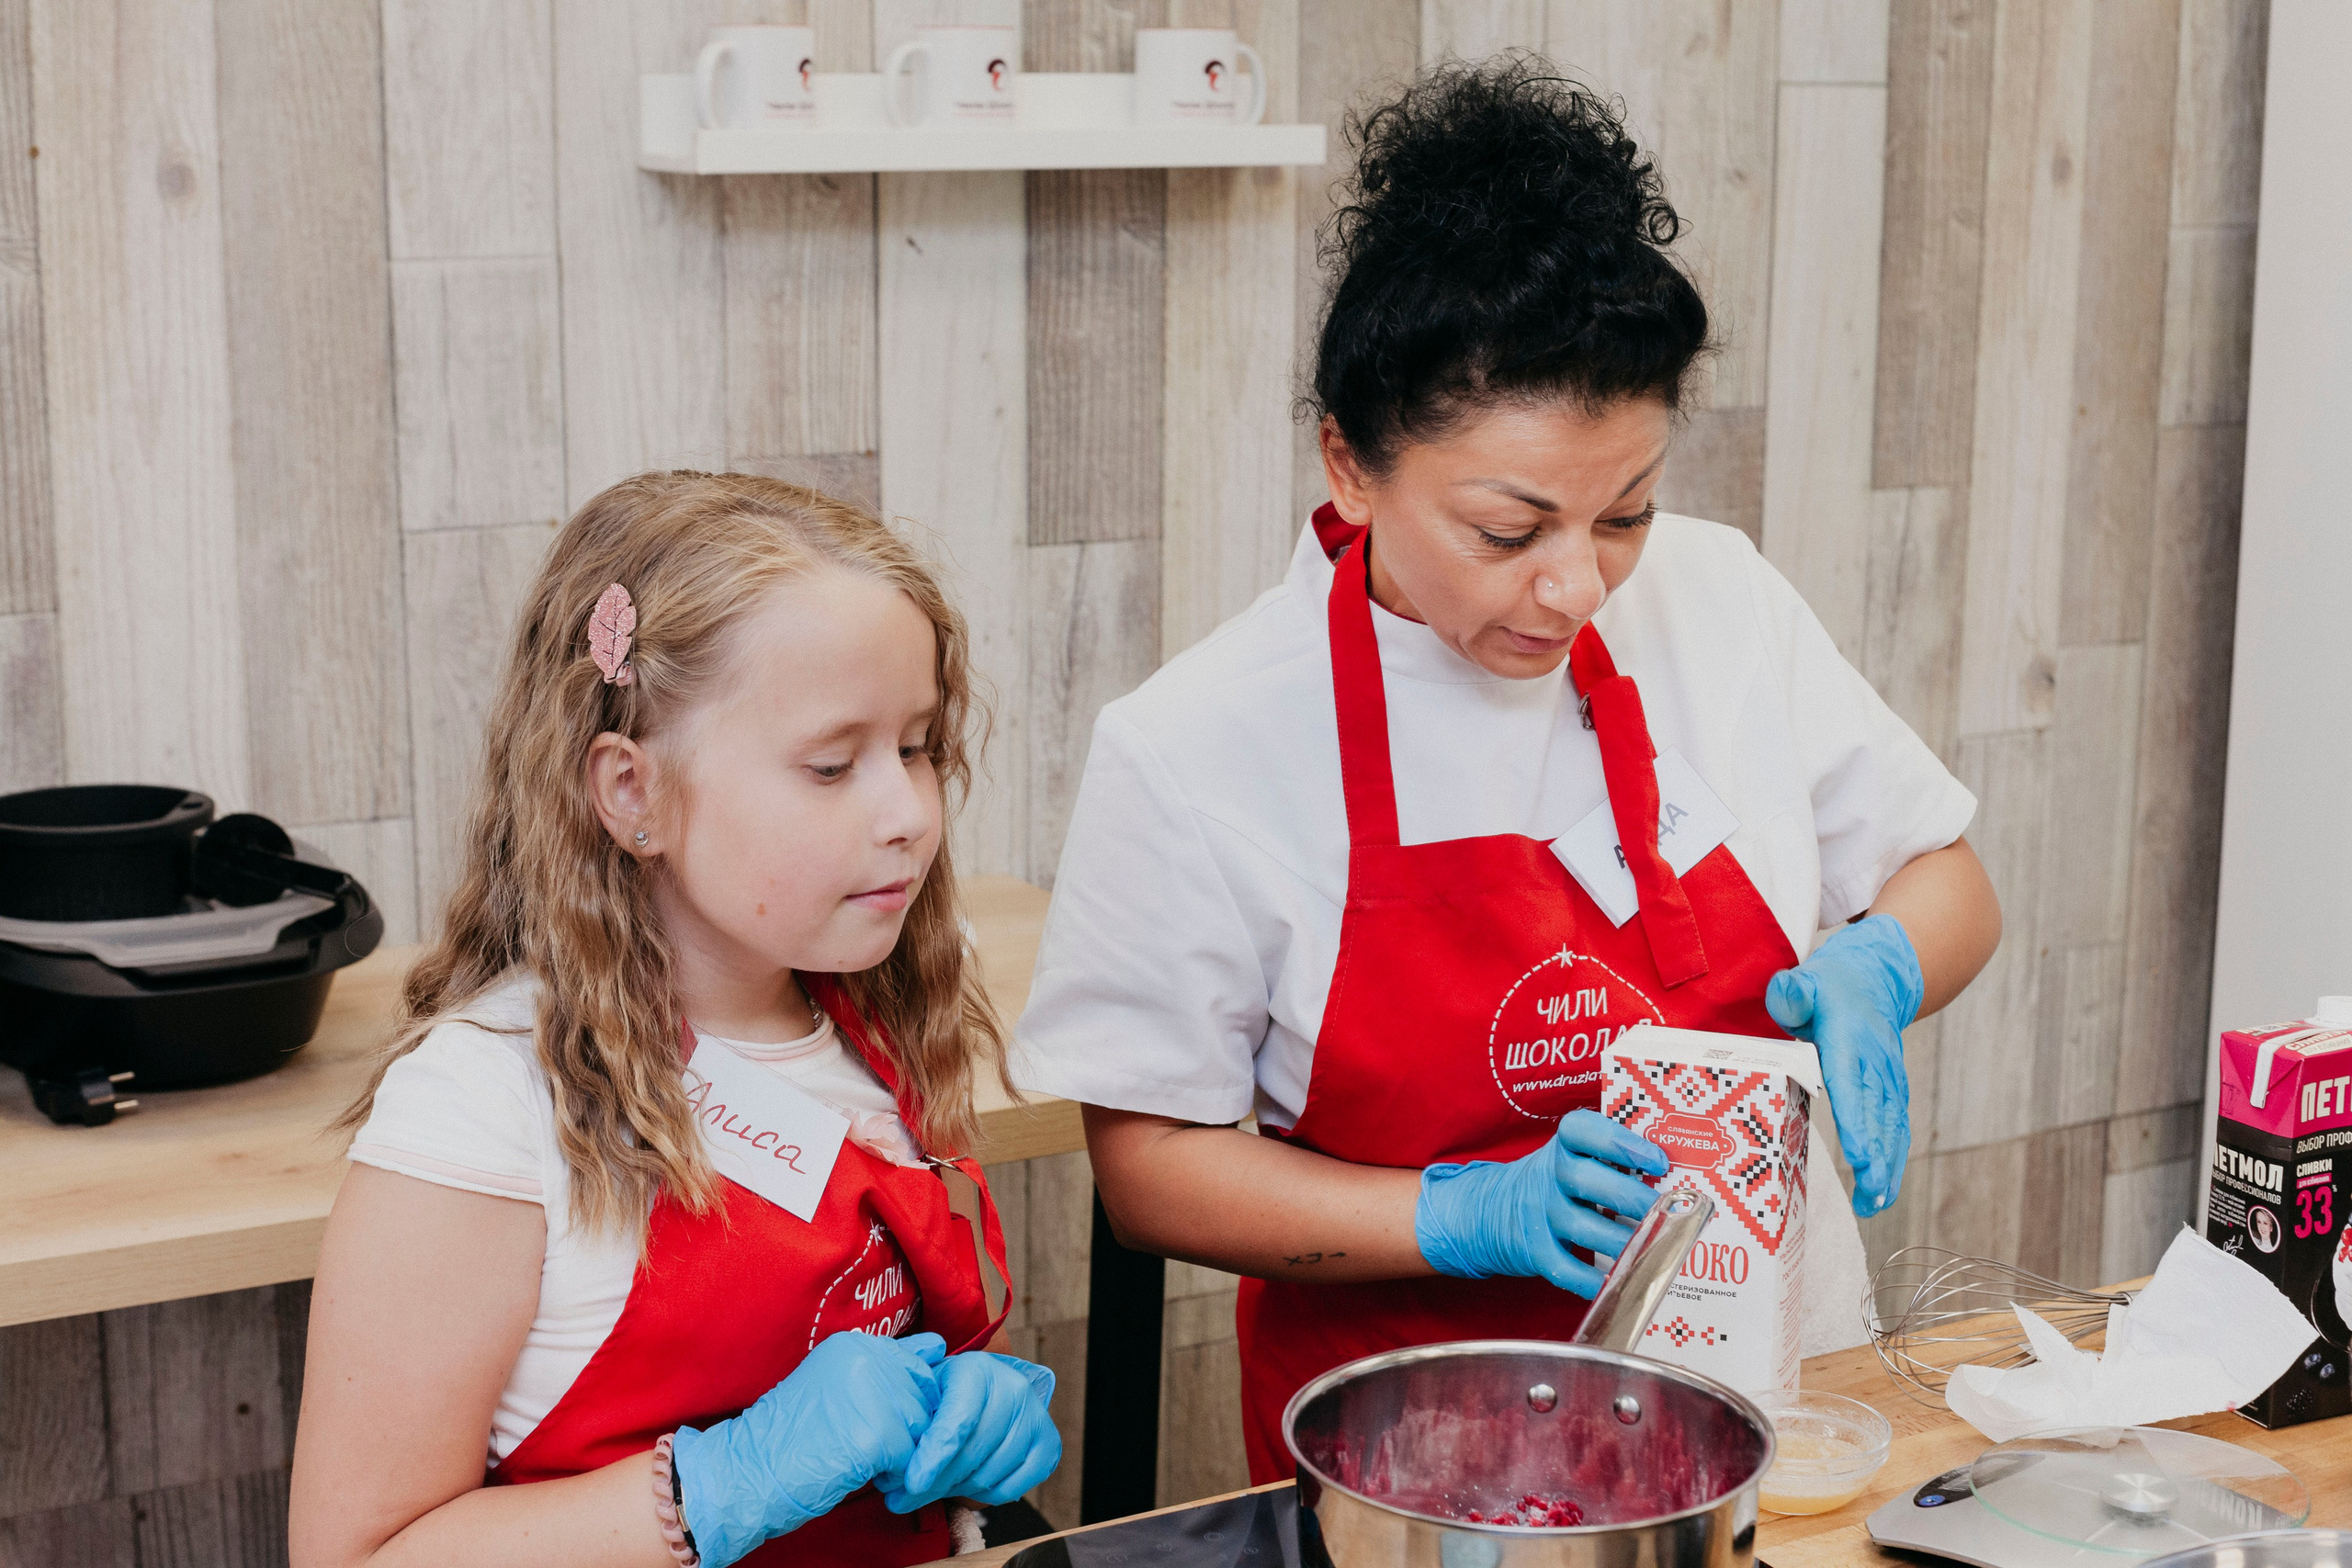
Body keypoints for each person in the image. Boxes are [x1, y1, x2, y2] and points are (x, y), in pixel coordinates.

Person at [1012, 59, 2004, 1482]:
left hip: (1770, 1405)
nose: (1576, 585)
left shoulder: (1719, 597)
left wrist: (1885, 964)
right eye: (1507, 527)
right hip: (1421, 1464)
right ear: (1350, 464)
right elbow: (1152, 1164)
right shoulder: (1199, 743)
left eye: (1625, 514)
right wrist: (1461, 1212)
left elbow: (1946, 873)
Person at [289, 474, 1060, 1566]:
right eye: (832, 765)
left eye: (920, 746)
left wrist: (970, 1426)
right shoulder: (485, 1105)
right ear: (631, 791)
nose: (908, 815)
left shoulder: (883, 1018)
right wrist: (717, 1487)